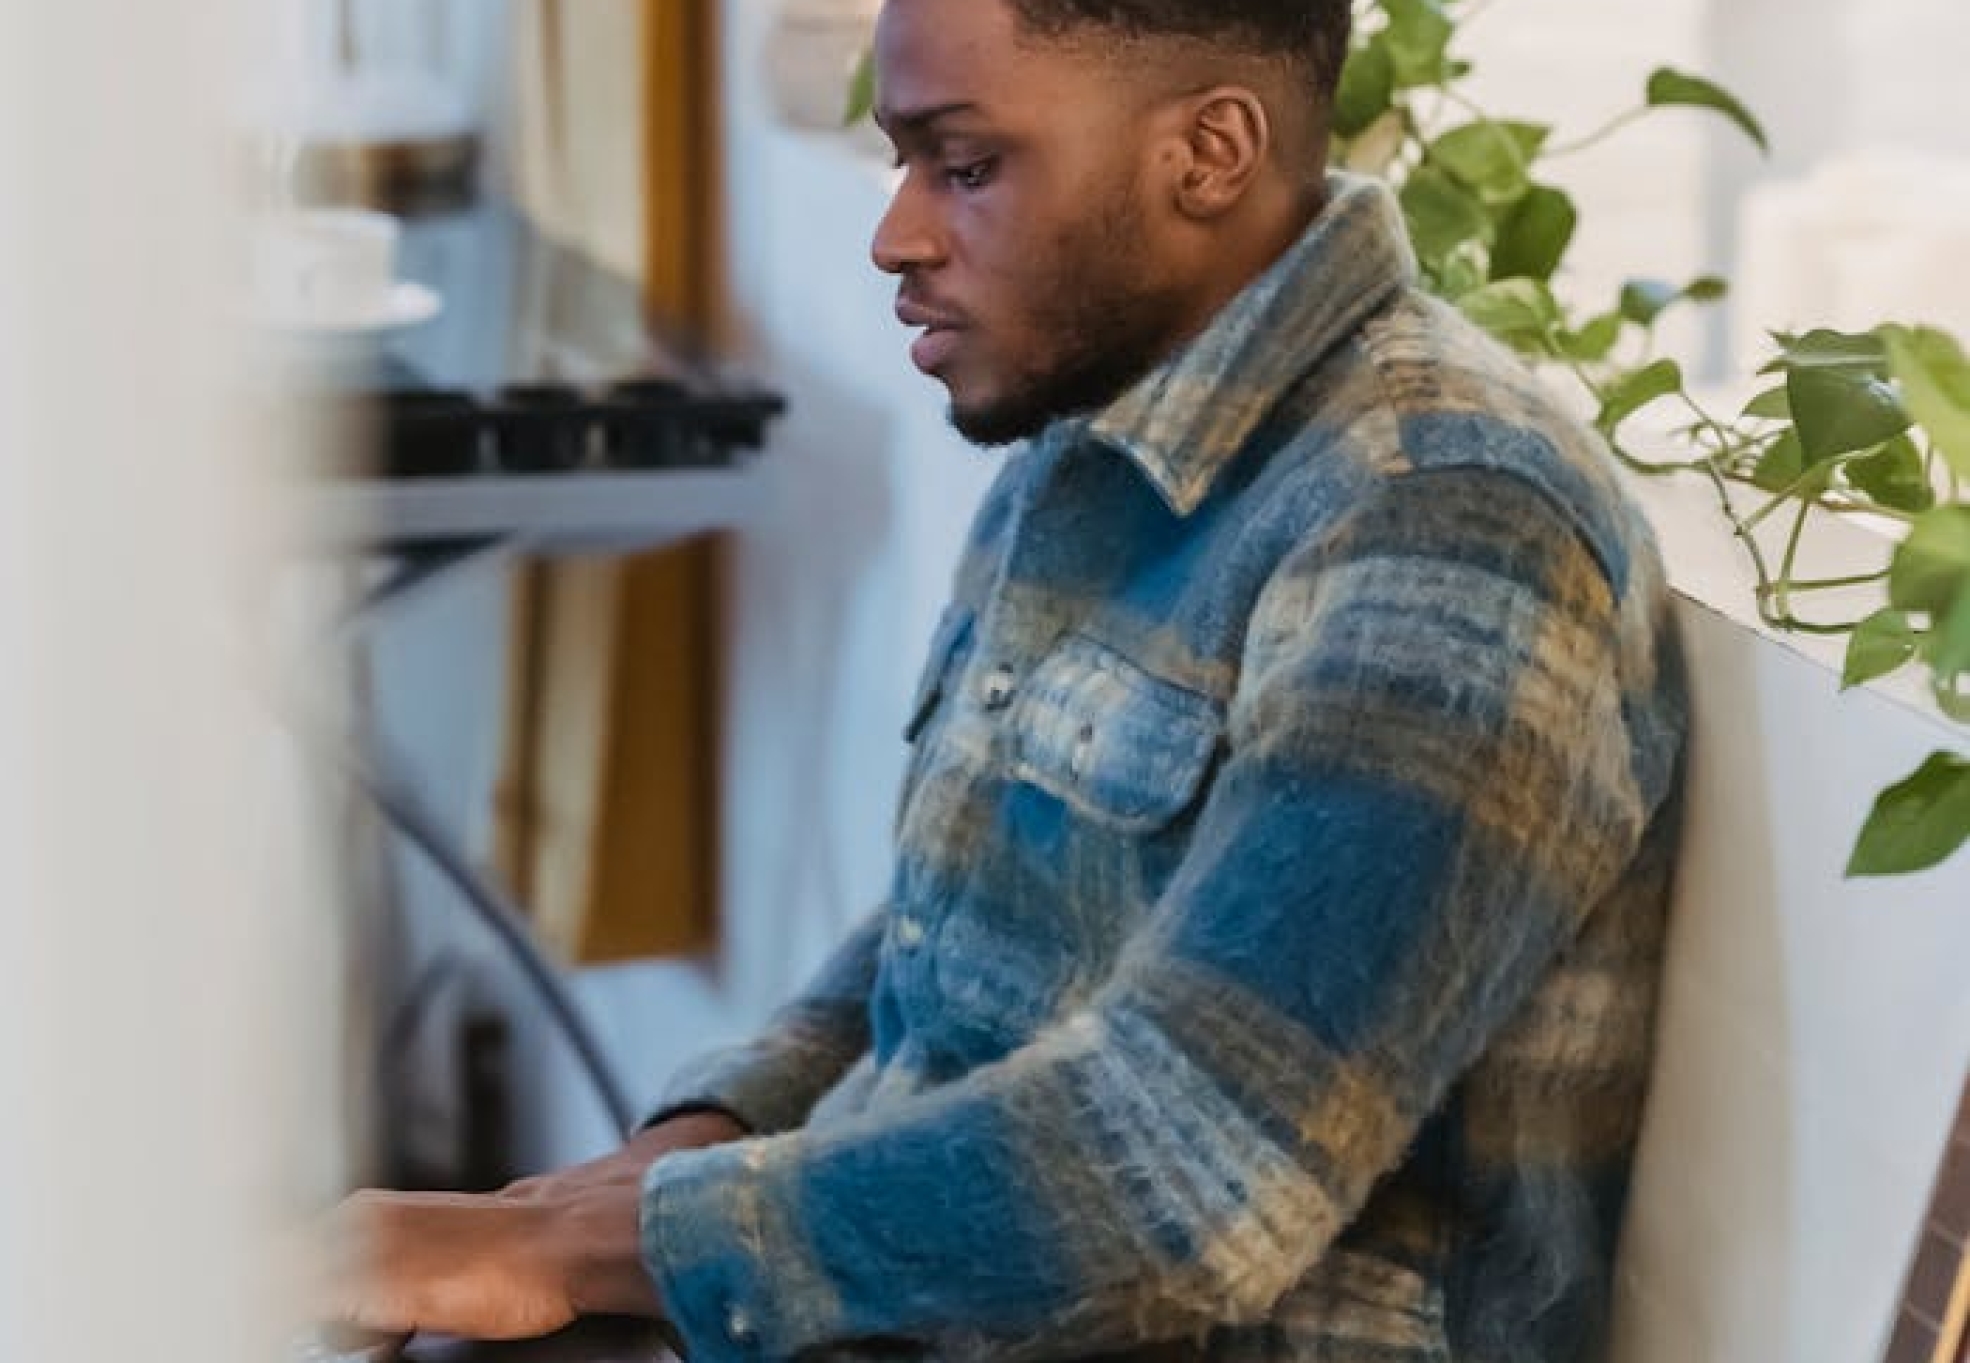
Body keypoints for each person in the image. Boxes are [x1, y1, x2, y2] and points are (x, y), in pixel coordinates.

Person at [329, 0, 1688, 1358]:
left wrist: (569, 1248)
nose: (894, 235)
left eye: (964, 167)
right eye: (901, 162)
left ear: (1209, 151)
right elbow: (949, 935)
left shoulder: (1445, 520)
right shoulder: (1098, 412)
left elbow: (1186, 1176)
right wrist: (682, 1152)